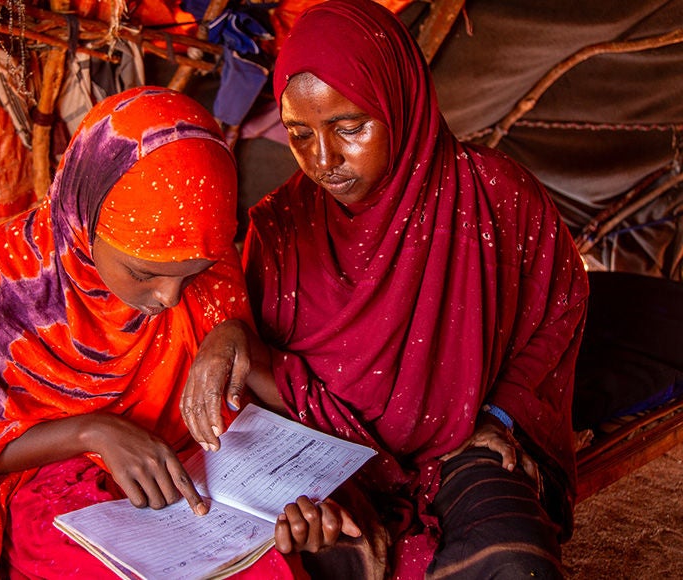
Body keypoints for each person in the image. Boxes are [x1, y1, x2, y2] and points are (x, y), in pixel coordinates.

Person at [181, 0, 590, 577]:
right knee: (320, 553)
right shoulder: (279, 227)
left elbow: (558, 306)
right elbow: (273, 373)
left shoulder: (493, 196)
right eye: (299, 135)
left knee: (512, 561)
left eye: (349, 128)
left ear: (400, 102)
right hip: (333, 457)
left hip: (468, 444)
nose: (323, 160)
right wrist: (232, 337)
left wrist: (500, 415)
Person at [0, 87, 303, 579]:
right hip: (53, 474)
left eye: (193, 273)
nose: (170, 299)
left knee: (261, 565)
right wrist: (92, 431)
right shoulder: (0, 278)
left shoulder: (204, 254)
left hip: (195, 466)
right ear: (84, 215)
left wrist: (234, 338)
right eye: (143, 274)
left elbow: (263, 397)